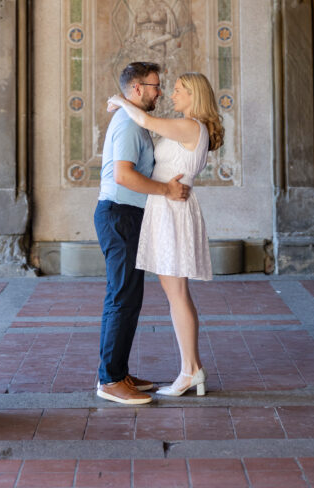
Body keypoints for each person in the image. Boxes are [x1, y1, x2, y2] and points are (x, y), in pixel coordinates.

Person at [107, 71, 224, 398]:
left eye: (179, 90)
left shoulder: (191, 126)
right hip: (167, 208)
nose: (172, 95)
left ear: (194, 96)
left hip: (171, 210)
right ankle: (191, 368)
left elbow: (145, 120)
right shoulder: (188, 126)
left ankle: (191, 370)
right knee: (176, 294)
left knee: (177, 295)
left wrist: (119, 100)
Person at [94, 61, 190, 406]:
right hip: (119, 216)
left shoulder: (134, 119)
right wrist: (166, 190)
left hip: (127, 216)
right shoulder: (129, 125)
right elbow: (123, 176)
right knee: (122, 297)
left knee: (129, 297)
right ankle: (110, 380)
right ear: (136, 89)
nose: (159, 92)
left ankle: (118, 371)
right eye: (154, 86)